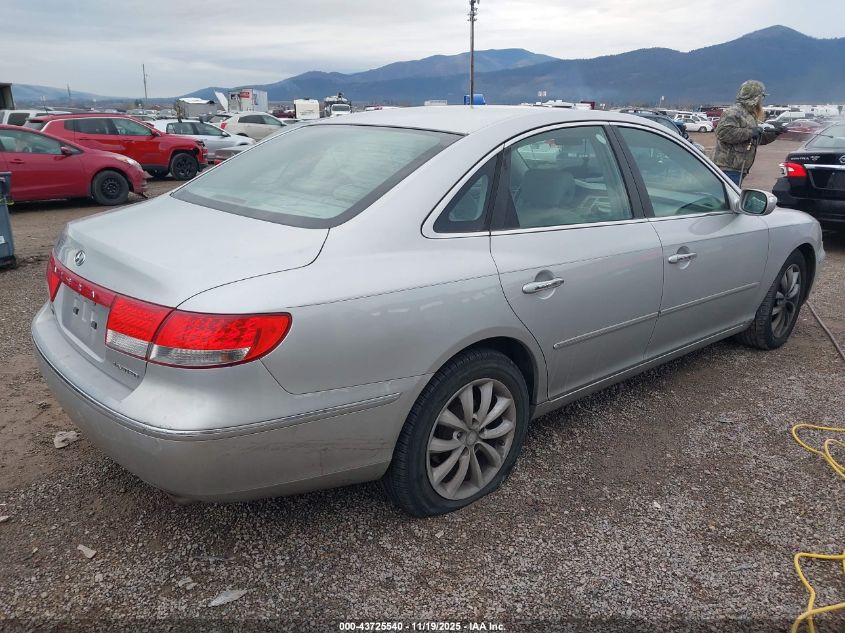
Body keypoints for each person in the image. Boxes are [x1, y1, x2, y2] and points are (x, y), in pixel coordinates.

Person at [713, 80, 780, 186]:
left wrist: (775, 133)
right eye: (761, 97)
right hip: (728, 169)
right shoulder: (733, 112)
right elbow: (723, 133)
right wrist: (750, 132)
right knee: (728, 195)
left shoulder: (750, 115)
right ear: (755, 98)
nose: (761, 101)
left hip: (739, 169)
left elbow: (755, 139)